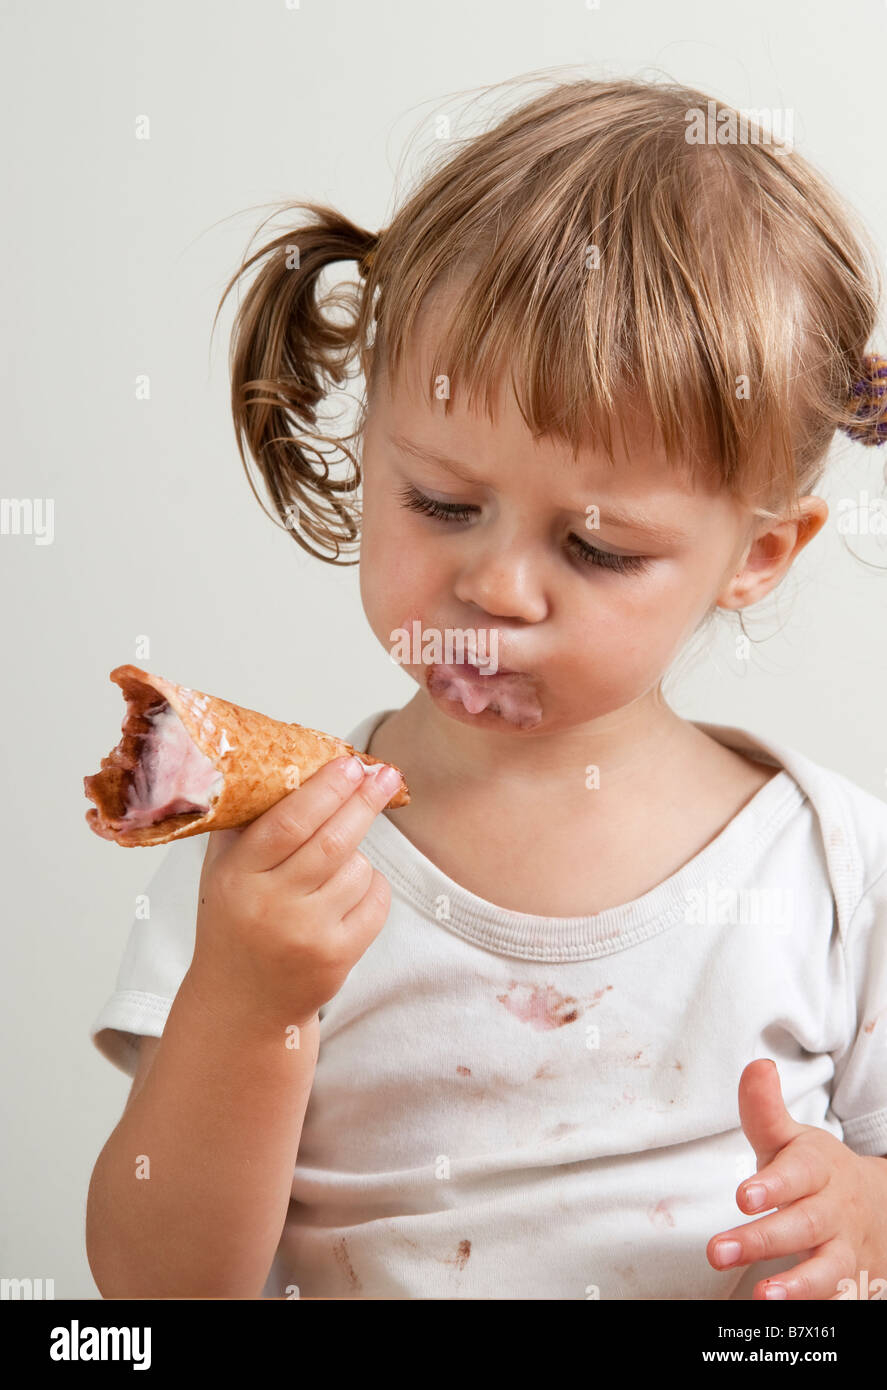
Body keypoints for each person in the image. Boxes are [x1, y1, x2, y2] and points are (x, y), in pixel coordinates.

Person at [86, 75, 887, 1301]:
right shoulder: (273, 870)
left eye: (597, 547)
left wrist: (870, 1217)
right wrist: (252, 1006)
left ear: (759, 554)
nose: (496, 589)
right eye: (442, 505)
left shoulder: (835, 874)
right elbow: (158, 1295)